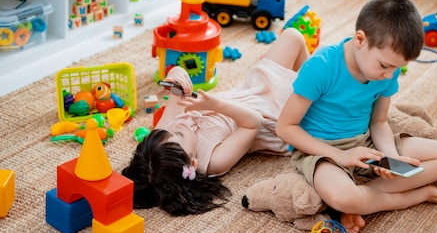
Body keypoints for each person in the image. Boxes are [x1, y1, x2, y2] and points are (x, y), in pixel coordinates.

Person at [276, 0, 437, 233]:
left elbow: (380, 121)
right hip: (321, 150)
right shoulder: (321, 67)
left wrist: (392, 158)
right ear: (360, 40)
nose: (389, 75)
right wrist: (340, 156)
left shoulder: (388, 70)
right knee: (343, 195)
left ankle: (365, 199)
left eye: (397, 68)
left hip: (367, 144)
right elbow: (285, 127)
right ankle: (405, 198)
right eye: (385, 66)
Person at [122, 28, 309, 216]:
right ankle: (311, 83)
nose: (177, 125)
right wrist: (215, 104)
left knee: (292, 36)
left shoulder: (166, 135)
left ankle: (305, 74)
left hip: (249, 92)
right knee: (322, 70)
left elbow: (177, 87)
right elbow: (253, 122)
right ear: (193, 163)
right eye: (179, 135)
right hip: (276, 114)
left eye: (167, 131)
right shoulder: (214, 161)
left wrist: (177, 76)